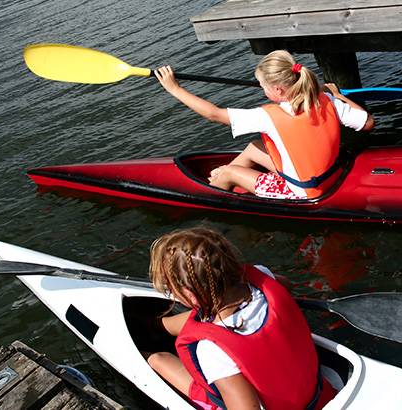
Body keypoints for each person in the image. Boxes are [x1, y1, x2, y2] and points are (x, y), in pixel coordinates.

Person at [146, 228, 337, 410]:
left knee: (157, 359)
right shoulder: (262, 278)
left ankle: (146, 343)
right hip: (317, 391)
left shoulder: (211, 351)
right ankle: (157, 327)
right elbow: (285, 285)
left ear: (191, 296)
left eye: (170, 289)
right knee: (200, 321)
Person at [155, 50, 374, 200]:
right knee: (253, 147)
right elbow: (368, 123)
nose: (262, 90)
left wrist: (175, 89)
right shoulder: (327, 100)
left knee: (230, 172)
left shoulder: (268, 116)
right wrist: (337, 95)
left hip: (301, 192)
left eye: (263, 86)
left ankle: (217, 188)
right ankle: (220, 176)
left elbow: (214, 114)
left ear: (278, 90)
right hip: (331, 175)